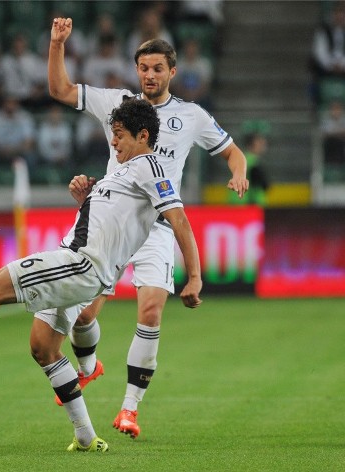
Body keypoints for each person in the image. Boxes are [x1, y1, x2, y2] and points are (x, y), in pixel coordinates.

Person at [0, 98, 203, 452]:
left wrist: (195, 276)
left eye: (119, 135)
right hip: (84, 265)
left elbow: (179, 220)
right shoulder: (125, 170)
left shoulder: (151, 167)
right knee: (43, 348)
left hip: (80, 264)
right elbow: (116, 220)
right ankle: (86, 437)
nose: (113, 142)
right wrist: (87, 200)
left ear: (142, 135)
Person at [48, 18, 249, 439]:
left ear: (172, 72)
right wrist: (57, 44)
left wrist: (238, 174)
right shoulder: (117, 103)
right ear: (137, 70)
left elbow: (234, 153)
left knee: (151, 311)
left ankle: (129, 410)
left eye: (158, 68)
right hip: (112, 222)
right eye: (144, 68)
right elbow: (61, 90)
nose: (150, 75)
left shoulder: (191, 115)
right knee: (83, 315)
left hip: (156, 226)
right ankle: (89, 366)